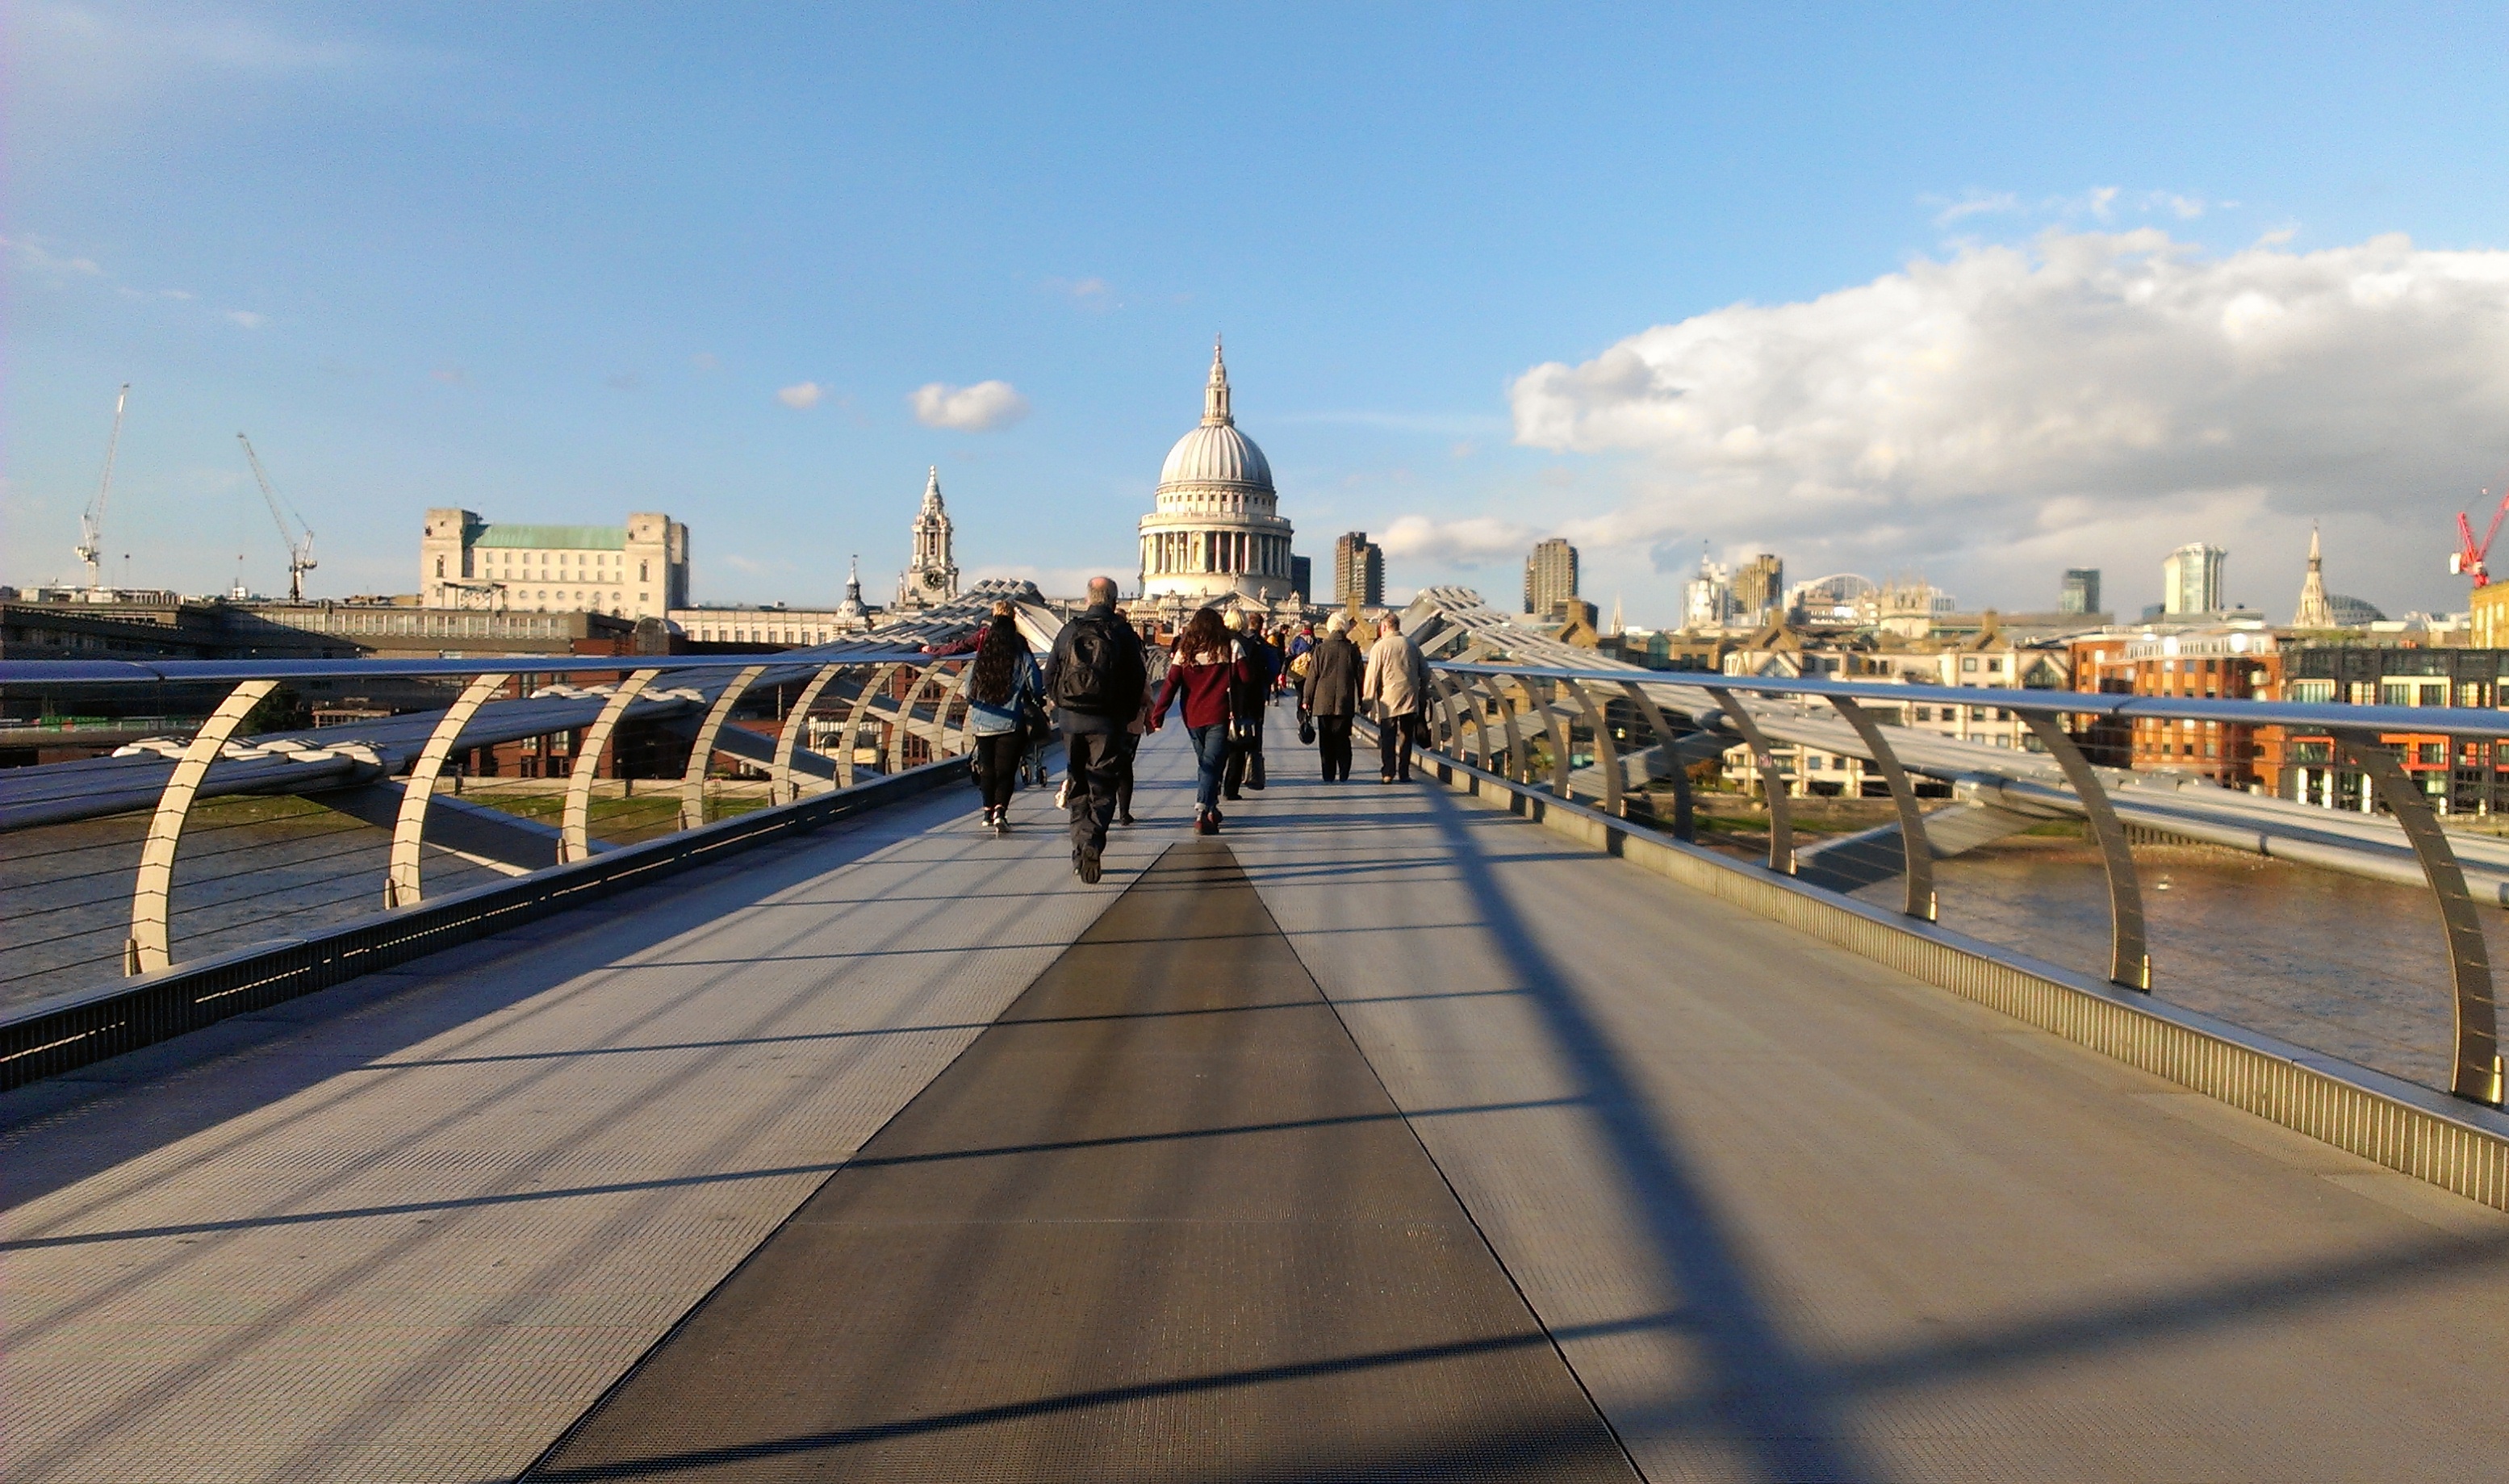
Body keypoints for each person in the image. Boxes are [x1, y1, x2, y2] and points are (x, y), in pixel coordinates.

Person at [1043, 576, 1150, 883]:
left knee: (1077, 784)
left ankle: (1080, 851)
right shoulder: (1122, 633)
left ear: (1088, 598)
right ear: (1115, 602)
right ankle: (1091, 842)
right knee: (1102, 786)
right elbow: (1136, 679)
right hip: (1108, 722)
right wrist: (1126, 715)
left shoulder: (1069, 631)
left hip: (1071, 721)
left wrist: (1065, 706)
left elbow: (1050, 675)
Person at [1148, 607, 1254, 834]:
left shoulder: (1184, 651)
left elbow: (1170, 685)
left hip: (1192, 715)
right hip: (1220, 713)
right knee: (1211, 763)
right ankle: (1202, 810)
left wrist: (1158, 715)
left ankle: (1211, 810)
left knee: (1207, 763)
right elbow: (1247, 678)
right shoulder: (1231, 647)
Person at [961, 602, 1038, 834]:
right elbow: (1035, 684)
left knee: (988, 768)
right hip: (1011, 720)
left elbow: (968, 690)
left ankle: (986, 812)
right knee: (1006, 770)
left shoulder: (982, 655)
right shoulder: (1020, 652)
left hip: (982, 721)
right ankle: (1000, 813)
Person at [1361, 611, 1430, 784]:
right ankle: (1404, 773)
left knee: (1388, 736)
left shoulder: (1380, 647)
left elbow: (1372, 676)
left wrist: (1367, 701)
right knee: (1406, 735)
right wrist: (1422, 690)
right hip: (1409, 696)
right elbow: (1425, 671)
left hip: (1388, 698)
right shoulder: (1411, 644)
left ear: (1384, 627)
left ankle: (1388, 772)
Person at [1219, 611, 1276, 801]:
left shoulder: (1214, 643)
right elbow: (1273, 666)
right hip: (1248, 700)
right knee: (1240, 744)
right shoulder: (1257, 644)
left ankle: (1213, 783)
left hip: (1217, 702)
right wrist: (1263, 686)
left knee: (1216, 745)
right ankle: (1233, 786)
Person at [1304, 612, 1361, 782]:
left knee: (1326, 739)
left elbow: (1313, 676)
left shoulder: (1321, 649)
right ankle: (1344, 771)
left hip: (1322, 701)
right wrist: (1364, 700)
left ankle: (1328, 774)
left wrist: (1307, 699)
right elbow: (1360, 677)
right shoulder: (1352, 650)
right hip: (1345, 701)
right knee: (1343, 737)